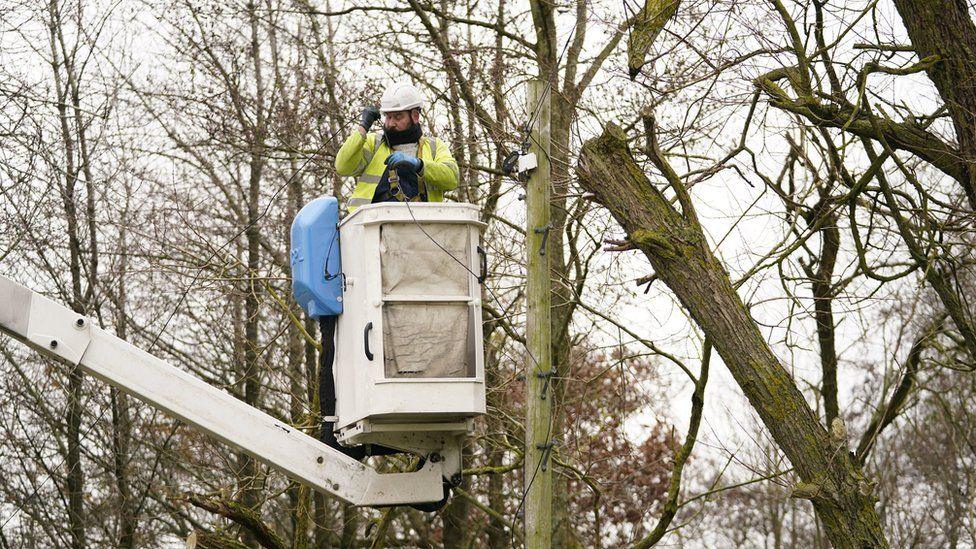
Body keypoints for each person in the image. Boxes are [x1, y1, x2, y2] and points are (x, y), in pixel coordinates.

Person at [334, 82, 459, 211]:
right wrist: (363, 127)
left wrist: (419, 165)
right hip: (372, 225)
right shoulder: (373, 144)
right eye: (388, 117)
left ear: (415, 116)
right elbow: (342, 167)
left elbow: (452, 178)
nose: (391, 123)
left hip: (423, 224)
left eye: (397, 117)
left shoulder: (434, 146)